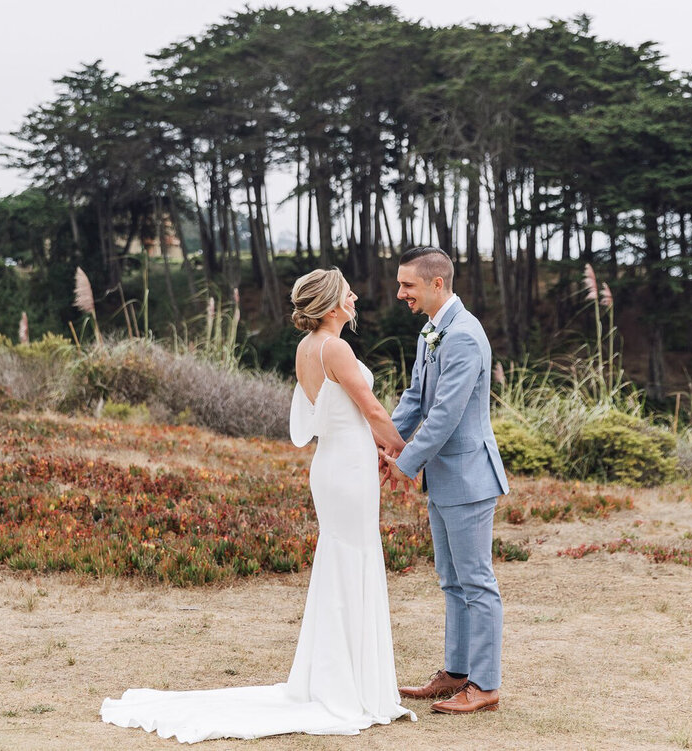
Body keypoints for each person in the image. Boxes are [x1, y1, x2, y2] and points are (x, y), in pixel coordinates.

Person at [101, 268, 415, 741]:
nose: (355, 296)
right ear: (332, 307)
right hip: (348, 469)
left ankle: (337, 677)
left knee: (340, 560)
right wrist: (409, 459)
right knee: (353, 559)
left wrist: (380, 451)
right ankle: (348, 685)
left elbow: (337, 413)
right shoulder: (336, 347)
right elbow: (370, 408)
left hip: (335, 461)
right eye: (348, 292)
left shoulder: (306, 349)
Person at [380, 245, 510, 715]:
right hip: (444, 477)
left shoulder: (464, 337)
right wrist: (387, 443)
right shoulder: (432, 331)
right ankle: (455, 674)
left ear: (438, 284)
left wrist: (404, 463)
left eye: (407, 285)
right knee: (451, 580)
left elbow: (446, 416)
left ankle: (486, 685)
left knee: (476, 582)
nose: (400, 294)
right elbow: (416, 398)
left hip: (469, 477)